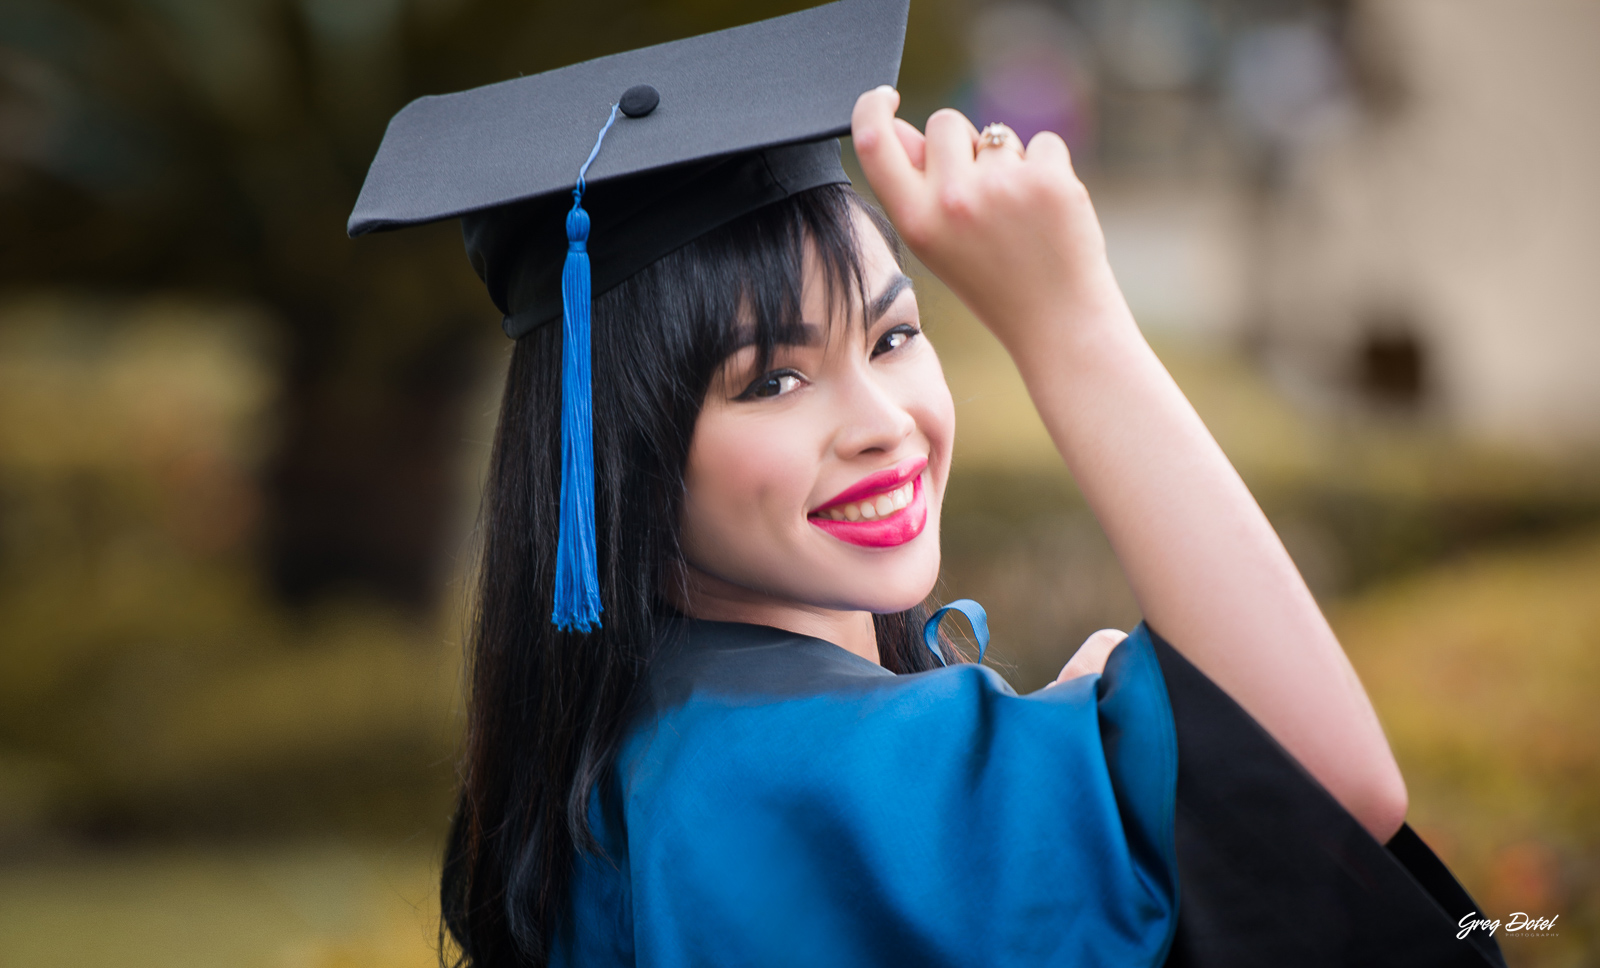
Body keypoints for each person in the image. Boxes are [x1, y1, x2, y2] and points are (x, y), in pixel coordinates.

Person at [349, 2, 1505, 966]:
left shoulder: (628, 764)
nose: (878, 422)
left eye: (894, 338)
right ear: (622, 455)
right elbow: (1327, 783)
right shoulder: (801, 780)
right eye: (771, 379)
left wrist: (1057, 729)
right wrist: (1072, 322)